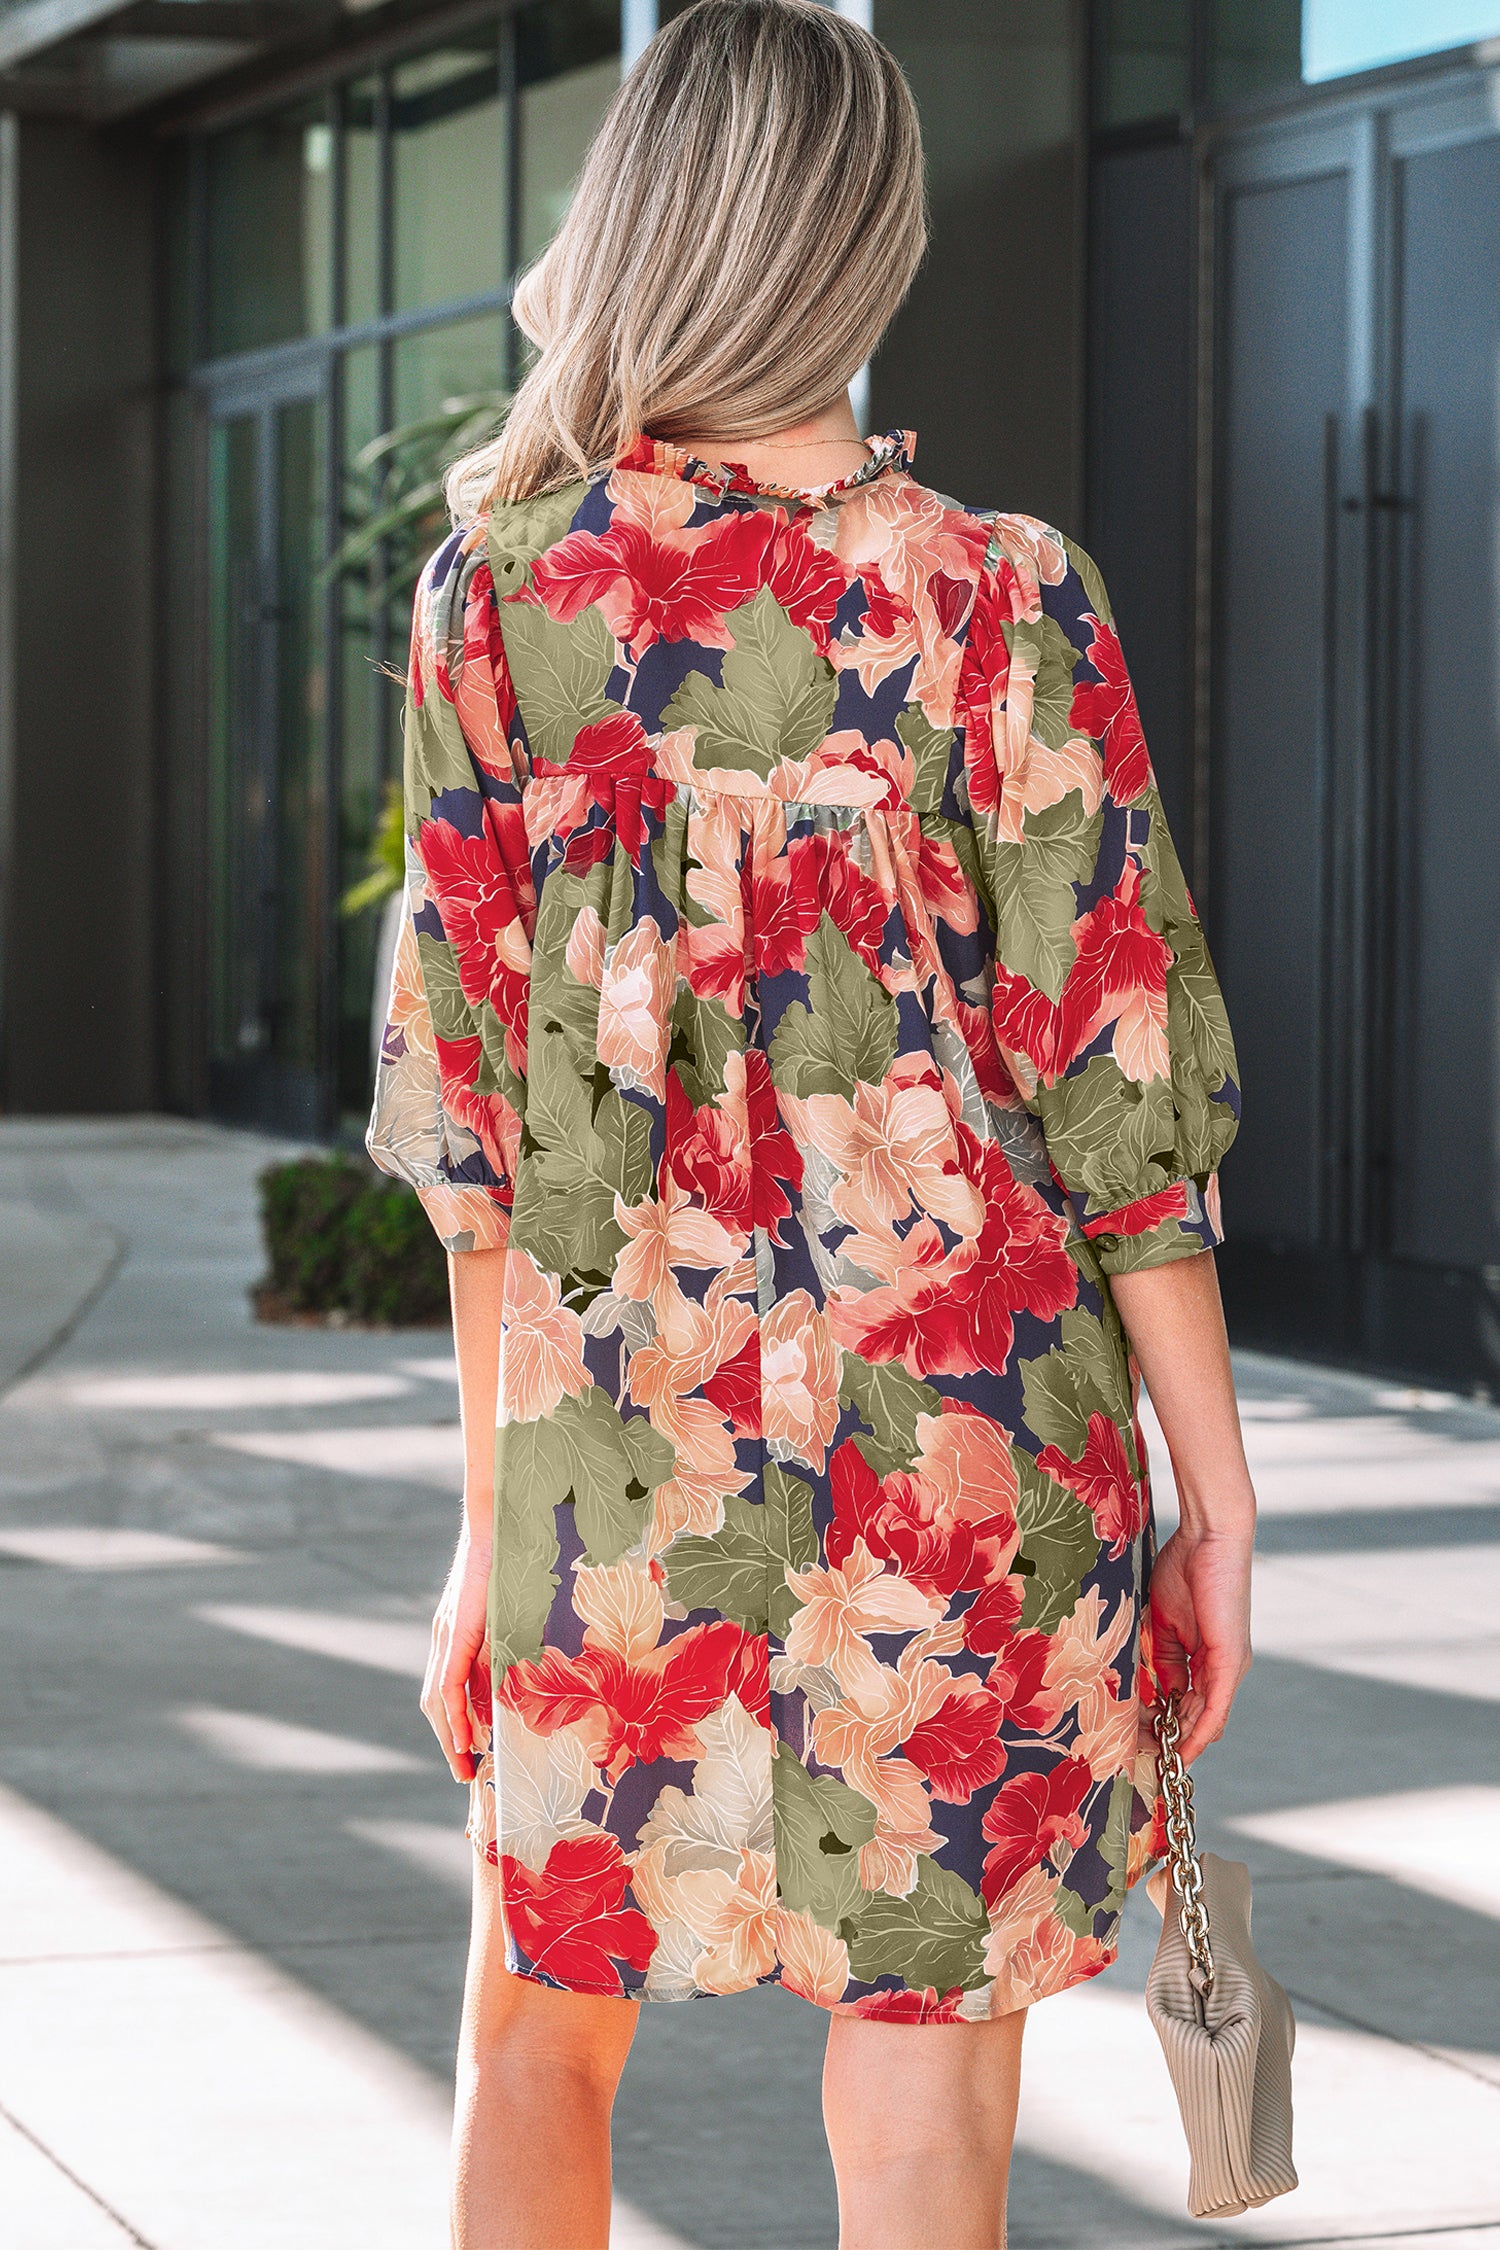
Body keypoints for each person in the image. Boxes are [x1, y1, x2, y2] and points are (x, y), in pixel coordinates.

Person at [367, 4, 1257, 2243]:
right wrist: (1215, 1500)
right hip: (977, 1448)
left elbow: (475, 1136)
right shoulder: (1002, 601)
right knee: (923, 2128)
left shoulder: (497, 604)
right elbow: (1122, 1093)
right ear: (867, 238)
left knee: (535, 2042)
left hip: (609, 1449)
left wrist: (491, 1524)